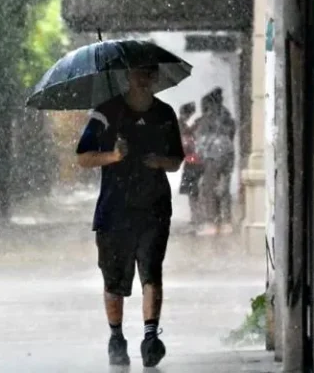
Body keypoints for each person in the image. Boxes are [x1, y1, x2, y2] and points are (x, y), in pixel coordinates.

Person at [76, 65, 184, 368]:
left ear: (155, 76)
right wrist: (113, 156)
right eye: (138, 72)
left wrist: (158, 161)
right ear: (127, 76)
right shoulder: (106, 113)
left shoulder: (165, 114)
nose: (143, 78)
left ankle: (151, 338)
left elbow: (176, 161)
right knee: (114, 279)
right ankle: (116, 336)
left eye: (148, 72)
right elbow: (83, 157)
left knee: (152, 271)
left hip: (154, 207)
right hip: (114, 210)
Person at [193, 88, 236, 236]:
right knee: (224, 188)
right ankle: (226, 221)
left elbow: (201, 139)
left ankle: (212, 223)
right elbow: (231, 134)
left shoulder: (208, 118)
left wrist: (200, 151)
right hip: (228, 154)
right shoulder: (227, 117)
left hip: (213, 155)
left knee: (209, 189)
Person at [178, 102, 204, 226]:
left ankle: (196, 216)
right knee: (194, 191)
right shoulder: (181, 126)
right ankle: (196, 216)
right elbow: (186, 142)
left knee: (193, 191)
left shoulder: (183, 125)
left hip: (192, 161)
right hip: (193, 161)